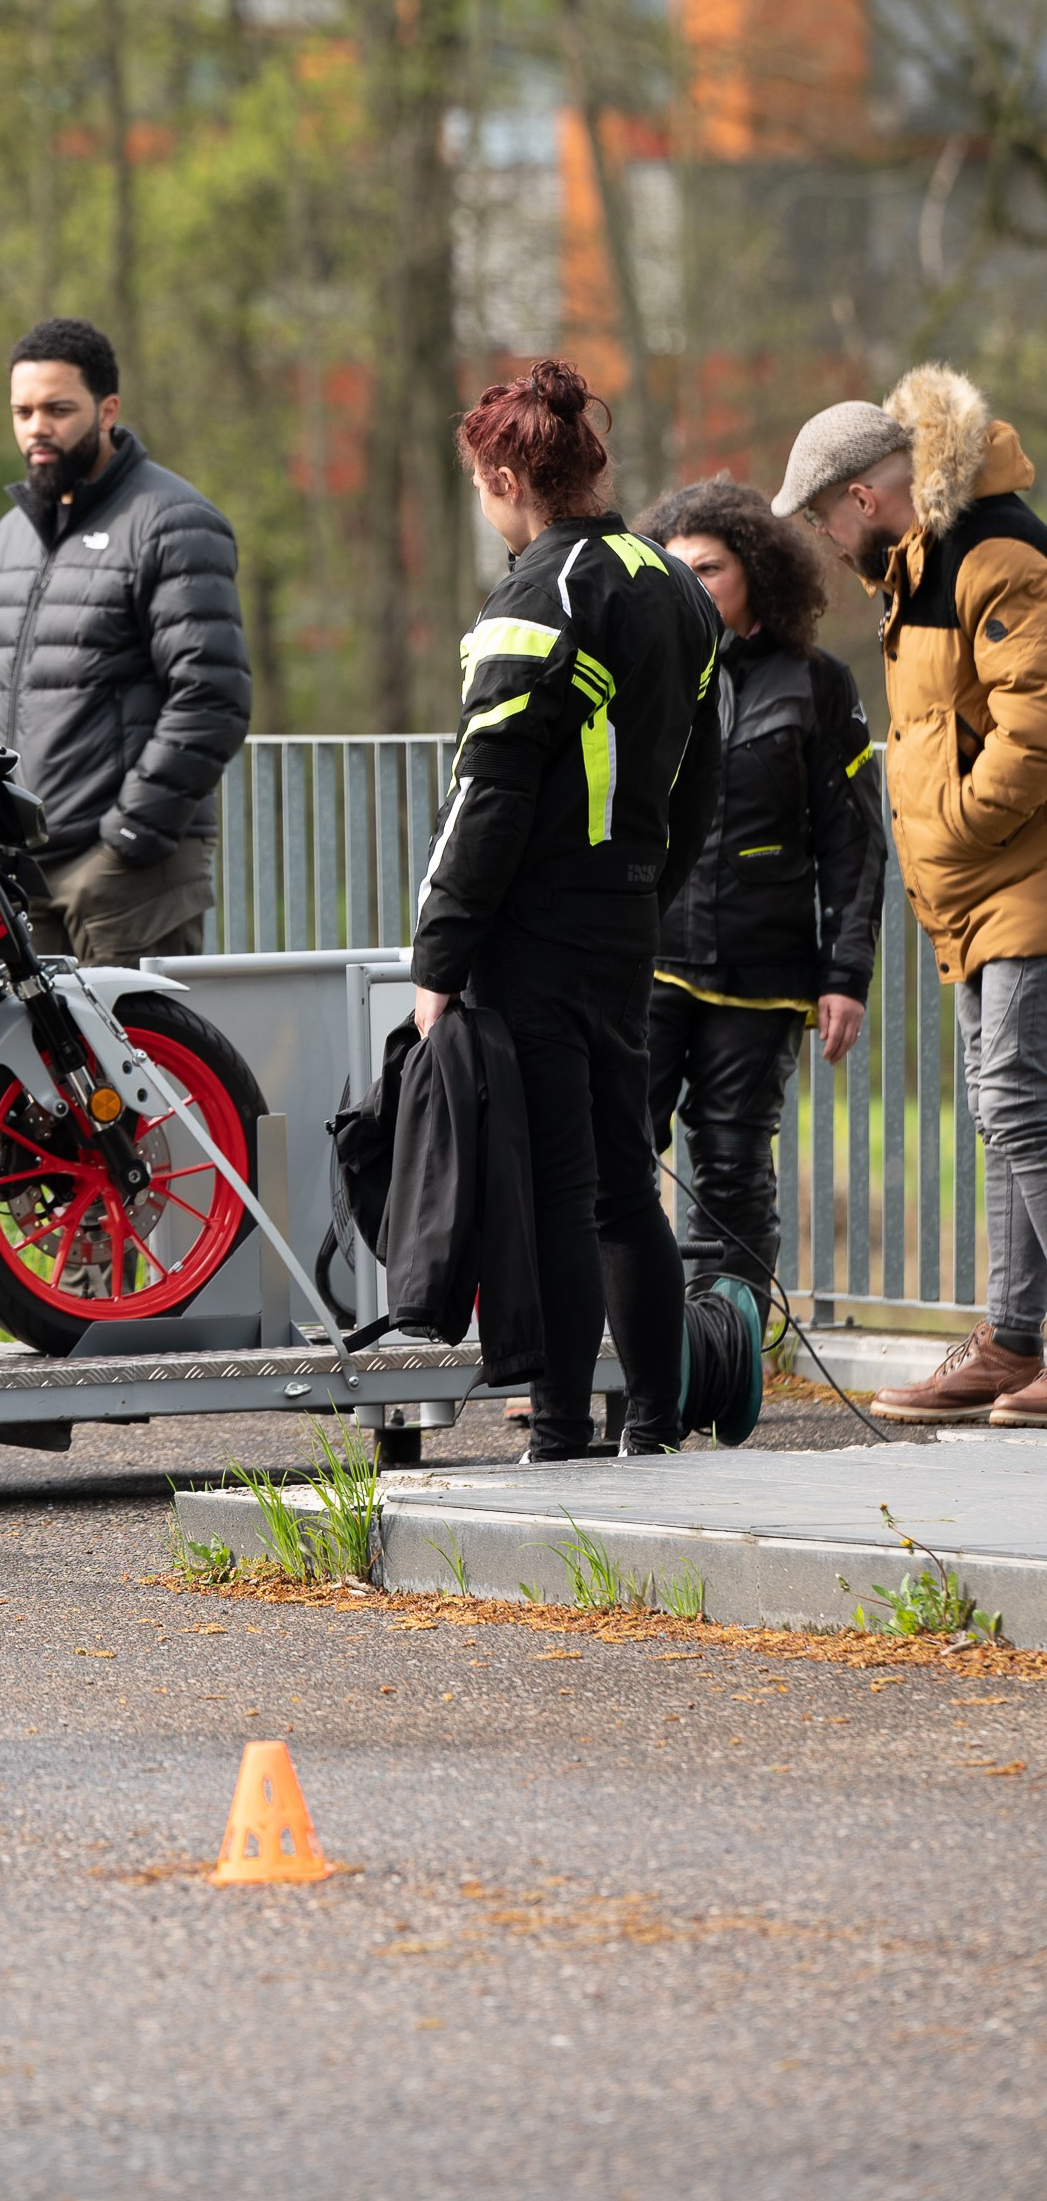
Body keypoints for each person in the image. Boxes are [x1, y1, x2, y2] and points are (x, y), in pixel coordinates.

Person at [409, 359, 724, 1459]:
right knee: (624, 1180)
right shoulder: (676, 585)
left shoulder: (539, 591)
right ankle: (654, 1421)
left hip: (533, 932)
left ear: (506, 474)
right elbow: (700, 783)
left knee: (552, 1180)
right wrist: (646, 889)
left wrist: (437, 955)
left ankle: (554, 1430)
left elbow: (486, 791)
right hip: (626, 918)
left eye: (482, 485)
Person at [777, 365, 1047, 1427]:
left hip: (1020, 878)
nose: (835, 556)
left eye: (829, 527)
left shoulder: (997, 554)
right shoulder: (924, 567)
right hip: (981, 891)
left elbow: (1034, 725)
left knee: (1022, 1101)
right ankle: (1015, 1336)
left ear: (864, 498)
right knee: (999, 1110)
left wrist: (954, 830)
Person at [636, 478, 885, 1327]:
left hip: (764, 968)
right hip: (649, 960)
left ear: (757, 576)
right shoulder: (637, 679)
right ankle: (608, 1347)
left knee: (735, 1165)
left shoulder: (817, 683)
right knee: (612, 1148)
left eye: (710, 568)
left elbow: (856, 840)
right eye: (677, 570)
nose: (693, 584)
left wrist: (847, 973)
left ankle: (725, 1353)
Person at [0, 316, 250, 966]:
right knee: (29, 1070)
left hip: (123, 875)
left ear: (107, 409)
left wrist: (128, 838)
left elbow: (212, 696)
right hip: (22, 874)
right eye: (22, 410)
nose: (36, 426)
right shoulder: (9, 536)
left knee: (141, 1067)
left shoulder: (174, 521)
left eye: (58, 409)